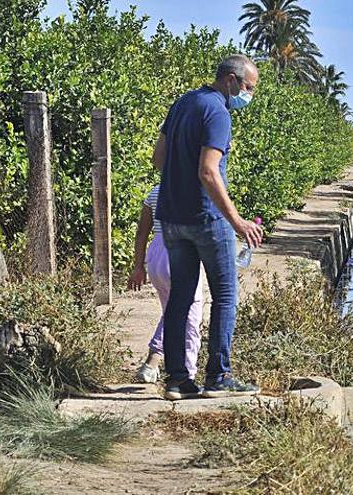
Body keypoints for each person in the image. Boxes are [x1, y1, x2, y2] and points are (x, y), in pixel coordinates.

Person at [152, 54, 264, 400]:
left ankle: (176, 379)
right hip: (206, 220)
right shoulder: (217, 112)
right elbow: (208, 171)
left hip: (171, 218)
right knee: (226, 295)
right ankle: (218, 374)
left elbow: (158, 158)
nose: (249, 95)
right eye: (248, 87)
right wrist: (237, 221)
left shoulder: (183, 103)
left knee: (180, 298)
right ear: (230, 80)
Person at [126, 184, 205, 387]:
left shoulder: (155, 191)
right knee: (190, 318)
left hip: (156, 257)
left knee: (172, 311)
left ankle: (158, 365)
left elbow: (141, 232)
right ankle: (183, 373)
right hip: (179, 253)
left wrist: (138, 266)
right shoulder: (191, 189)